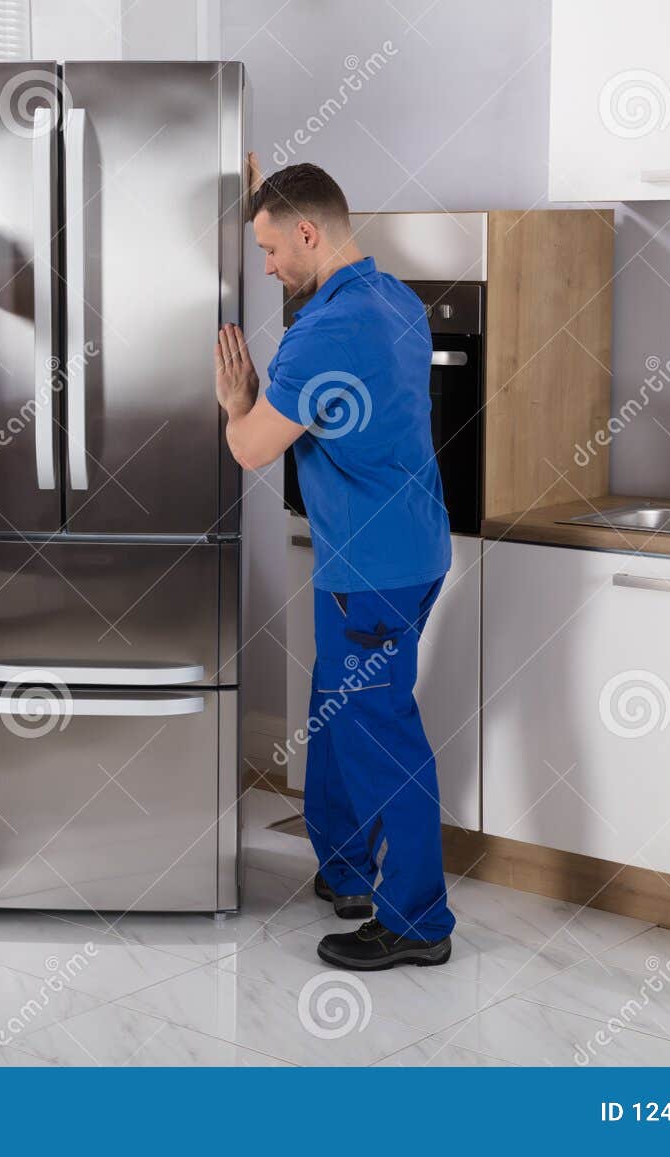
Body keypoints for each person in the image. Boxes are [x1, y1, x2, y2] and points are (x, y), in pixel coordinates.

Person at [214, 160, 455, 970]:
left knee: (380, 732)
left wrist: (236, 399)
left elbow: (250, 449)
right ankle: (347, 866)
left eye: (273, 248)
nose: (269, 265)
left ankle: (418, 920)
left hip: (370, 568)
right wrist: (260, 182)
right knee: (338, 704)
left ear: (308, 233)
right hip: (411, 550)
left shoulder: (323, 333)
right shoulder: (393, 300)